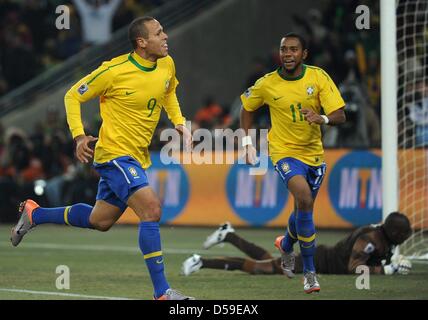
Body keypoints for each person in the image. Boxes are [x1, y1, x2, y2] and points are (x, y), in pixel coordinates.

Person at [10, 16, 193, 301]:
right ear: (142, 42)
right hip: (114, 155)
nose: (166, 36)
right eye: (159, 33)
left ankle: (35, 213)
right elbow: (73, 96)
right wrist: (79, 136)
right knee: (151, 210)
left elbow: (169, 92)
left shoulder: (167, 64)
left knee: (100, 220)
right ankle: (162, 293)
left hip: (137, 156)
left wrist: (179, 121)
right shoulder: (114, 71)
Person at [239, 33, 346, 293]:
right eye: (284, 49)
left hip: (314, 155)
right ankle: (309, 273)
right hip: (284, 152)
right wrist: (246, 143)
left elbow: (340, 115)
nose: (287, 54)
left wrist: (321, 119)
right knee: (304, 199)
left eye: (294, 50)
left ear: (304, 54)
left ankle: (286, 243)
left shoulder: (318, 77)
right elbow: (247, 109)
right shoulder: (267, 84)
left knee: (303, 208)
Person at [182, 213, 413, 277]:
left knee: (268, 261)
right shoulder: (370, 240)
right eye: (403, 234)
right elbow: (354, 268)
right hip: (314, 261)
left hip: (317, 259)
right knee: (262, 268)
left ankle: (229, 235)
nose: (406, 237)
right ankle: (200, 261)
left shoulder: (380, 235)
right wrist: (386, 270)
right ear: (393, 231)